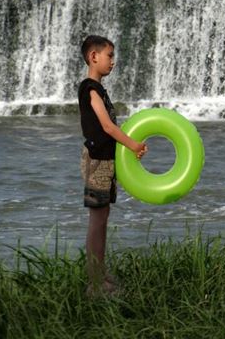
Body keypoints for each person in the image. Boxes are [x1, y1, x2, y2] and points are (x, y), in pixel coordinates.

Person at [78, 35, 147, 296]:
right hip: (97, 163)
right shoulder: (90, 88)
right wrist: (133, 145)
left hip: (105, 161)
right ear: (94, 57)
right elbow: (107, 126)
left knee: (102, 218)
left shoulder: (98, 89)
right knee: (97, 220)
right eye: (109, 56)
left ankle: (100, 272)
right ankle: (95, 283)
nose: (113, 62)